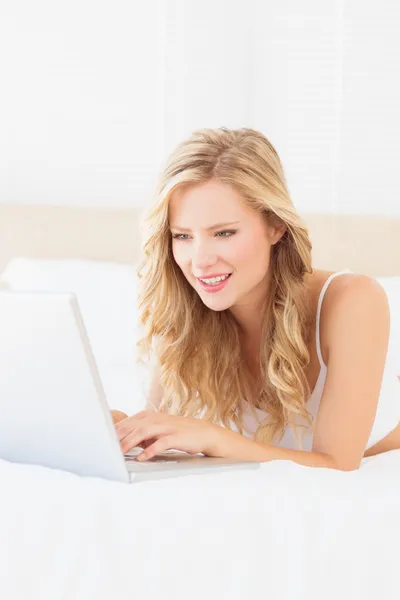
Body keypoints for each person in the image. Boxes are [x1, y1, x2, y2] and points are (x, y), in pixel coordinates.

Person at [112, 127, 400, 471]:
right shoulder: (186, 313)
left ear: (275, 226)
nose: (199, 261)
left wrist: (212, 438)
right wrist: (114, 428)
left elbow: (337, 463)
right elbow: (164, 429)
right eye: (183, 236)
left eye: (223, 233)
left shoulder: (352, 300)